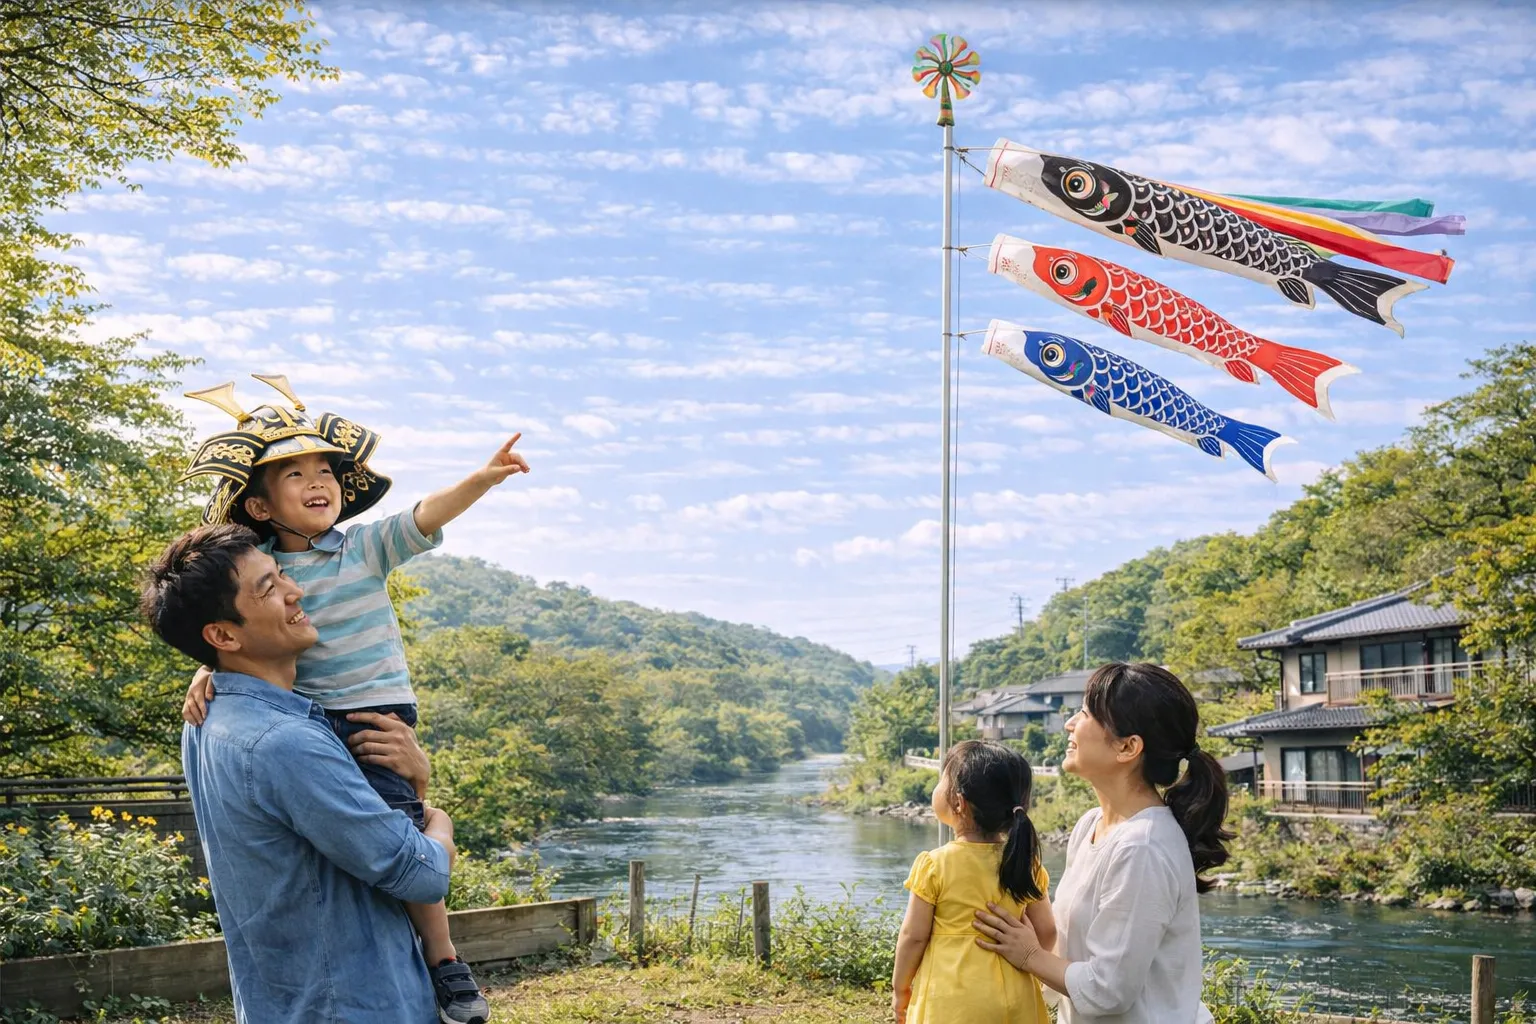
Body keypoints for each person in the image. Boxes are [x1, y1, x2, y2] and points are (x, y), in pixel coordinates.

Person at [175, 373, 530, 1024]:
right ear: (258, 506)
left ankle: (444, 958)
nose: (318, 483)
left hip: (373, 714)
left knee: (391, 820)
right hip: (312, 721)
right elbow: (423, 864)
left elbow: (427, 513)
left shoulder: (362, 547)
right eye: (295, 475)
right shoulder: (247, 579)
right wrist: (207, 671)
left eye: (326, 471)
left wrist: (483, 479)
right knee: (407, 842)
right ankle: (442, 968)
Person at [142, 523, 457, 1023]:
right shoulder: (287, 742)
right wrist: (435, 815)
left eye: (281, 574)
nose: (295, 590)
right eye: (268, 587)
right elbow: (419, 873)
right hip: (351, 1004)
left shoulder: (207, 718)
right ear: (223, 634)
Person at [973, 663, 1231, 1023]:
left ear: (1127, 747)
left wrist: (1029, 955)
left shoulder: (1142, 848)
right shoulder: (1091, 825)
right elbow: (1072, 949)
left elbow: (1109, 990)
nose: (1070, 724)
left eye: (1085, 713)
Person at [893, 740, 1056, 1024]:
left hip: (951, 999)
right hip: (1016, 998)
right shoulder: (1025, 864)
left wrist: (900, 988)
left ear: (958, 802)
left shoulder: (935, 865)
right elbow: (1047, 931)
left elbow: (913, 936)